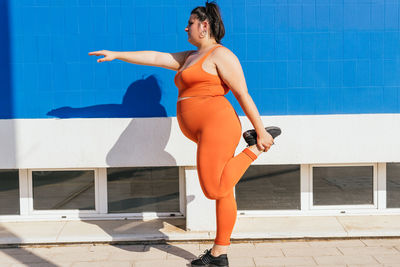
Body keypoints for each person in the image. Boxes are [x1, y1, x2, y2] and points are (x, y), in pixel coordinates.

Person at [89, 1, 281, 266]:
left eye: (190, 23)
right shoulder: (189, 57)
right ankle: (219, 254)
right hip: (205, 131)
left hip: (218, 125)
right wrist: (118, 54)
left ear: (204, 26)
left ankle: (254, 149)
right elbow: (156, 57)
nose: (185, 28)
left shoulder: (221, 55)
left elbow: (242, 93)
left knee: (214, 190)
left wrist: (260, 132)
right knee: (225, 191)